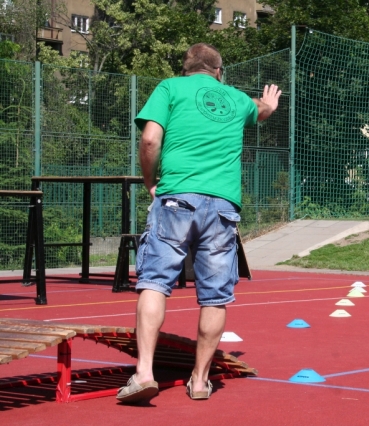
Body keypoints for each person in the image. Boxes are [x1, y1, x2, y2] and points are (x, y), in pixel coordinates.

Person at [115, 43, 281, 403]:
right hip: (223, 205)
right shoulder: (235, 99)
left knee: (155, 283)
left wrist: (150, 182)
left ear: (186, 68)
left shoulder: (170, 88)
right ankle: (201, 380)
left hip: (177, 196)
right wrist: (269, 105)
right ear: (219, 72)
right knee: (215, 296)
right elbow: (260, 110)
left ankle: (144, 373)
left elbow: (149, 139)